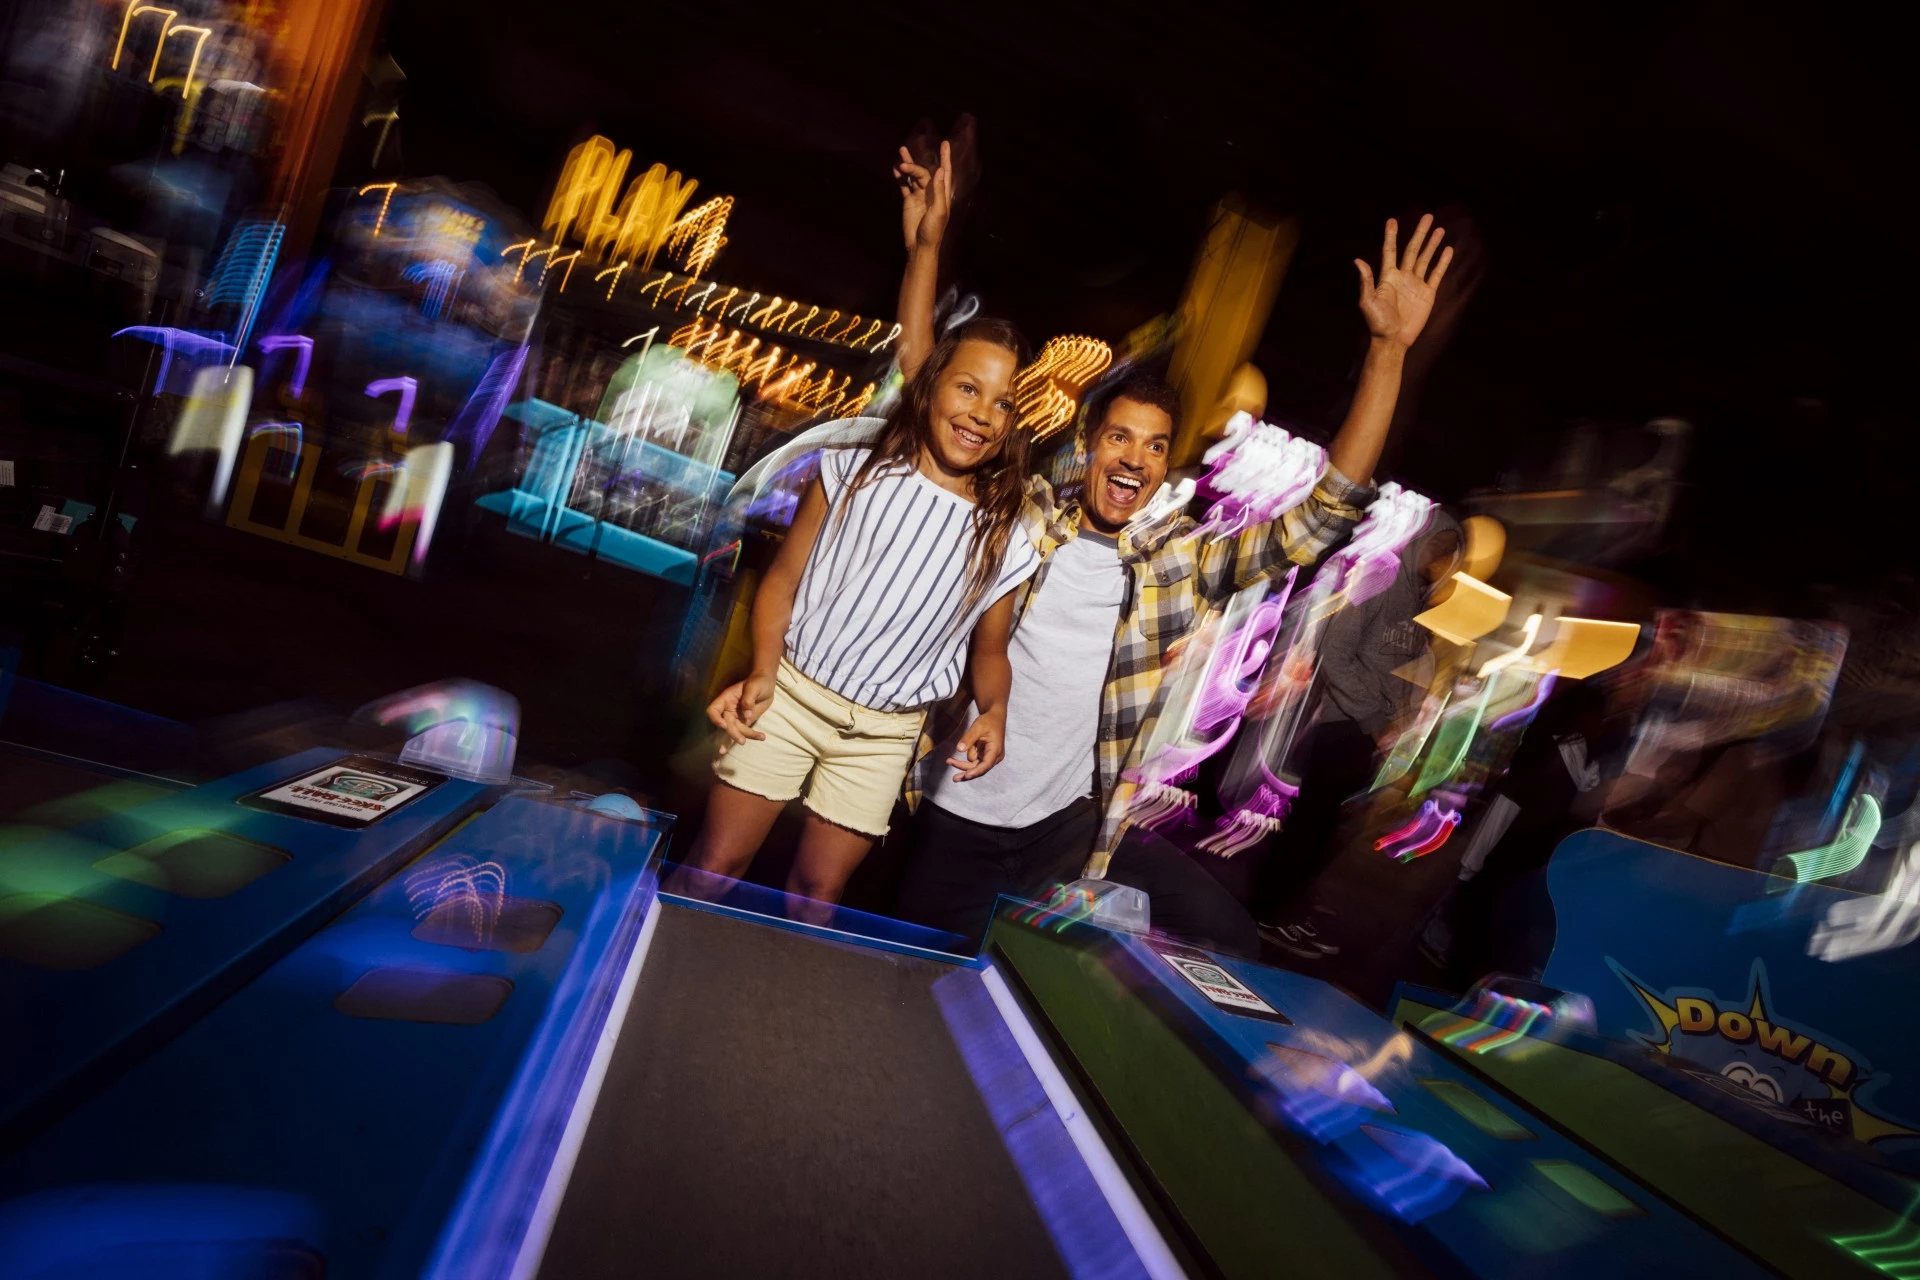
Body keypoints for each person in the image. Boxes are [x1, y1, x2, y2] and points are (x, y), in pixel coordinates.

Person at [889, 138, 1454, 952]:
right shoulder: (1019, 515)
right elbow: (923, 404)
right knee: (902, 975)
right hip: (952, 808)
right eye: (1120, 437)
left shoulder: (1177, 561)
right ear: (1089, 445)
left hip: (1064, 830)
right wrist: (928, 248)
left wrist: (1388, 354)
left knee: (1211, 936)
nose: (1136, 459)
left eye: (1156, 446)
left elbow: (1324, 515)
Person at [674, 153, 1041, 918]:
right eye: (966, 387)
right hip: (793, 695)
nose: (980, 411)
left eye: (1001, 403)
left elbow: (991, 651)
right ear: (933, 387)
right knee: (716, 863)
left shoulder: (1008, 531)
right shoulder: (855, 472)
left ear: (1015, 423)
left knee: (819, 895)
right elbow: (782, 580)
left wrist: (995, 713)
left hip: (885, 736)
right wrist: (928, 247)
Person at [1251, 510, 1463, 958]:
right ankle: (1269, 914)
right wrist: (1374, 719)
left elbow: (1399, 667)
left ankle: (1291, 906)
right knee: (1309, 830)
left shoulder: (1419, 599)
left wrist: (1401, 718)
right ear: (1419, 539)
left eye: (1450, 551)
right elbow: (1336, 651)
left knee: (1324, 832)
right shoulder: (1381, 576)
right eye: (1438, 545)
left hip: (1368, 732)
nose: (1442, 557)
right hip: (1344, 727)